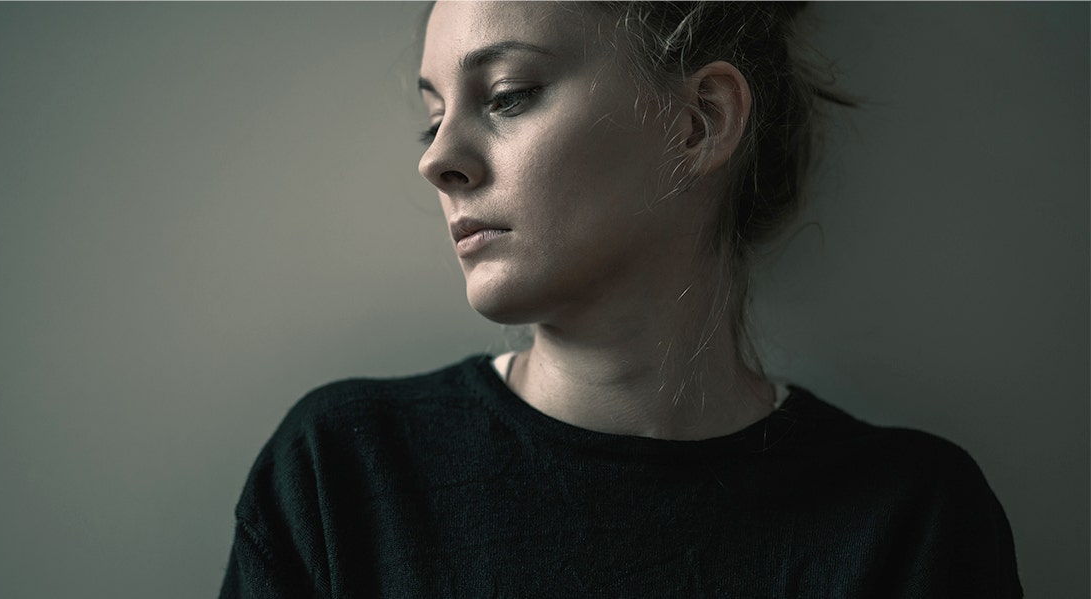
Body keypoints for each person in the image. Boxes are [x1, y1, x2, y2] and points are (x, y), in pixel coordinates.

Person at [220, 2, 1022, 596]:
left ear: (698, 121)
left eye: (506, 94)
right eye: (431, 120)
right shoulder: (341, 474)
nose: (439, 160)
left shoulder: (912, 523)